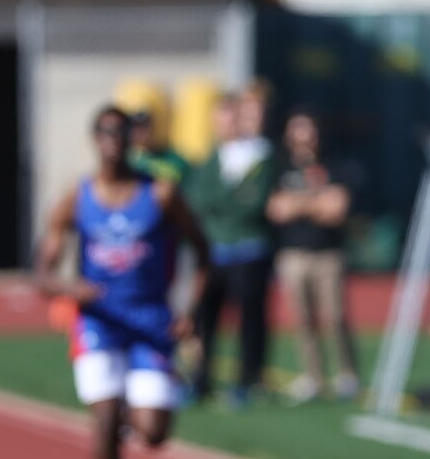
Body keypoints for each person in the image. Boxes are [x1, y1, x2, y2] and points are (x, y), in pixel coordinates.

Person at [34, 105, 209, 459]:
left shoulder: (162, 194)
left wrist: (190, 309)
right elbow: (43, 272)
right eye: (106, 132)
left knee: (153, 433)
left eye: (121, 132)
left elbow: (204, 251)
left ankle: (134, 412)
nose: (114, 140)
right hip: (98, 324)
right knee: (105, 419)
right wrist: (71, 287)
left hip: (150, 324)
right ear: (95, 139)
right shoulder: (78, 198)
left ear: (134, 139)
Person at [182, 84, 277, 407]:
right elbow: (198, 199)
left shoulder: (260, 155)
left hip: (250, 249)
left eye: (231, 117)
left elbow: (255, 203)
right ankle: (201, 378)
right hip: (216, 251)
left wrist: (225, 202)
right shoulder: (212, 157)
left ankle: (249, 380)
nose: (226, 125)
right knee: (206, 319)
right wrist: (230, 200)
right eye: (220, 118)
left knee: (250, 320)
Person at [267, 108, 360, 402]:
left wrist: (299, 204)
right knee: (303, 319)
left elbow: (337, 209)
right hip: (293, 254)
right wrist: (315, 202)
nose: (306, 135)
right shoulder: (280, 167)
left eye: (310, 128)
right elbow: (277, 209)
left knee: (336, 316)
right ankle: (313, 376)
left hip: (328, 253)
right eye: (299, 128)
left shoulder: (335, 164)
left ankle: (347, 374)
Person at [127, 109, 187, 185]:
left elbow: (176, 173)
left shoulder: (169, 155)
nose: (141, 132)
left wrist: (146, 163)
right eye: (136, 128)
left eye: (145, 127)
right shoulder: (124, 158)